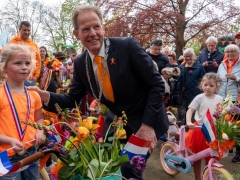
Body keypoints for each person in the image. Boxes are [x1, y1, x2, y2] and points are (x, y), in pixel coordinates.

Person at [29, 5, 168, 179]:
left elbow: (156, 84)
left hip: (144, 120)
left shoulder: (127, 46)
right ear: (76, 34)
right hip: (115, 124)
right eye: (85, 29)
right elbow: (72, 98)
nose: (92, 33)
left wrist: (148, 126)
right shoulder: (81, 63)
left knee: (129, 170)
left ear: (103, 27)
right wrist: (45, 95)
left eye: (96, 26)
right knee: (103, 168)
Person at [0, 44, 45, 180]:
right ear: (5, 67)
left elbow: (39, 119)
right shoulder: (1, 95)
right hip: (6, 155)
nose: (24, 67)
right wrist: (10, 140)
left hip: (31, 152)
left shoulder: (34, 95)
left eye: (27, 63)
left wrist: (40, 131)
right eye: (18, 63)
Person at [185, 72, 223, 180]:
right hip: (200, 130)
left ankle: (208, 175)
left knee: (211, 156)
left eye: (211, 86)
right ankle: (198, 177)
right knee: (197, 157)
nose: (208, 88)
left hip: (213, 131)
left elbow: (222, 113)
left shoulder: (220, 99)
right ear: (202, 84)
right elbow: (190, 110)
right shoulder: (199, 97)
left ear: (217, 87)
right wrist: (189, 121)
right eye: (205, 85)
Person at [217, 44, 240, 163]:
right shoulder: (222, 64)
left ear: (237, 53)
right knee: (224, 123)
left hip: (236, 98)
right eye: (228, 52)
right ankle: (226, 147)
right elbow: (218, 77)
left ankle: (239, 154)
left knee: (236, 125)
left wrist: (235, 78)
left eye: (233, 52)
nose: (230, 54)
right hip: (222, 98)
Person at [174, 48, 205, 126]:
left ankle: (191, 133)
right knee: (181, 115)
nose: (188, 58)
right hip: (182, 95)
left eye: (189, 56)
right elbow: (177, 80)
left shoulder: (199, 67)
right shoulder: (181, 67)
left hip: (194, 94)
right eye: (186, 56)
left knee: (192, 115)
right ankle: (181, 133)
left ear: (193, 56)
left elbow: (203, 80)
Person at [7, 21, 41, 86]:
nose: (27, 32)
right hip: (15, 78)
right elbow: (4, 59)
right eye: (24, 30)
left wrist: (36, 76)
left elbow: (38, 62)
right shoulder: (12, 43)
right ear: (19, 30)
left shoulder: (34, 45)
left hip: (30, 79)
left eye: (28, 30)